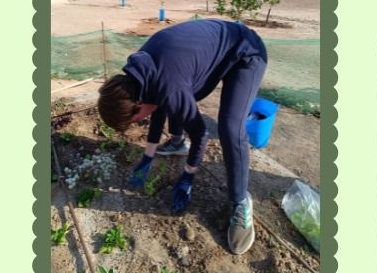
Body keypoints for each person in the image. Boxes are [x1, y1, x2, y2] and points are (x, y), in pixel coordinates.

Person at [96, 19, 268, 255]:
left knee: (230, 127)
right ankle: (177, 142)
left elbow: (200, 133)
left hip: (246, 52)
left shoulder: (167, 83)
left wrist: (187, 177)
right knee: (173, 100)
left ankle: (240, 201)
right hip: (208, 54)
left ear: (137, 105)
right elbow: (156, 104)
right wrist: (148, 156)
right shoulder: (141, 72)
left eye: (135, 121)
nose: (139, 123)